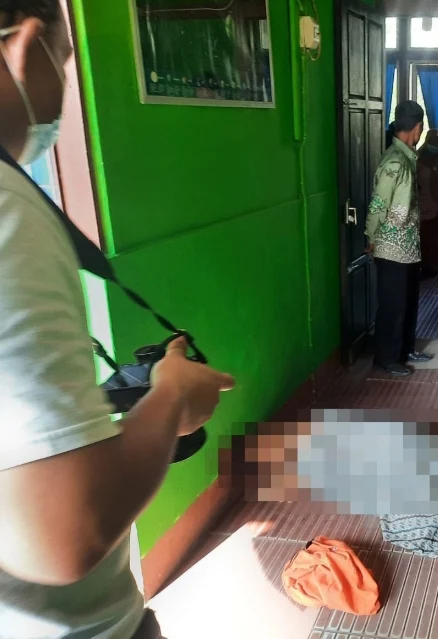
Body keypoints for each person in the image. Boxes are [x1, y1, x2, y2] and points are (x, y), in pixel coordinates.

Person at [0, 4, 234, 638]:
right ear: (25, 48)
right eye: (63, 64)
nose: (61, 92)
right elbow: (63, 532)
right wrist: (170, 396)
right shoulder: (8, 211)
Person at [366, 101, 433, 377]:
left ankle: (405, 350)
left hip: (407, 247)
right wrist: (371, 236)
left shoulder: (406, 158)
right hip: (391, 247)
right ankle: (386, 358)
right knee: (392, 305)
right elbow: (378, 204)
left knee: (408, 301)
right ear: (417, 128)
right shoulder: (395, 161)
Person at [417, 128, 438, 277]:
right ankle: (427, 267)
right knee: (426, 239)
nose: (435, 145)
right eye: (432, 141)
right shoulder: (418, 159)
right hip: (425, 206)